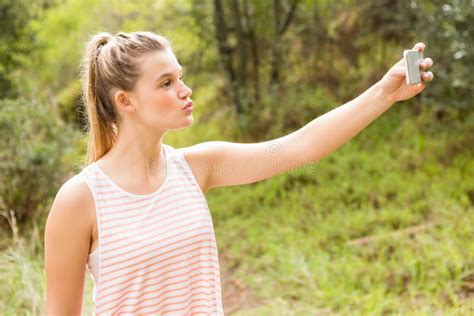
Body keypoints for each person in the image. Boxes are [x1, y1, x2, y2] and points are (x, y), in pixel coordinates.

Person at [44, 31, 434, 315]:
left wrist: (385, 93)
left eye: (180, 76)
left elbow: (301, 147)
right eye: (166, 82)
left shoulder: (197, 167)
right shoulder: (81, 199)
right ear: (125, 101)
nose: (185, 90)